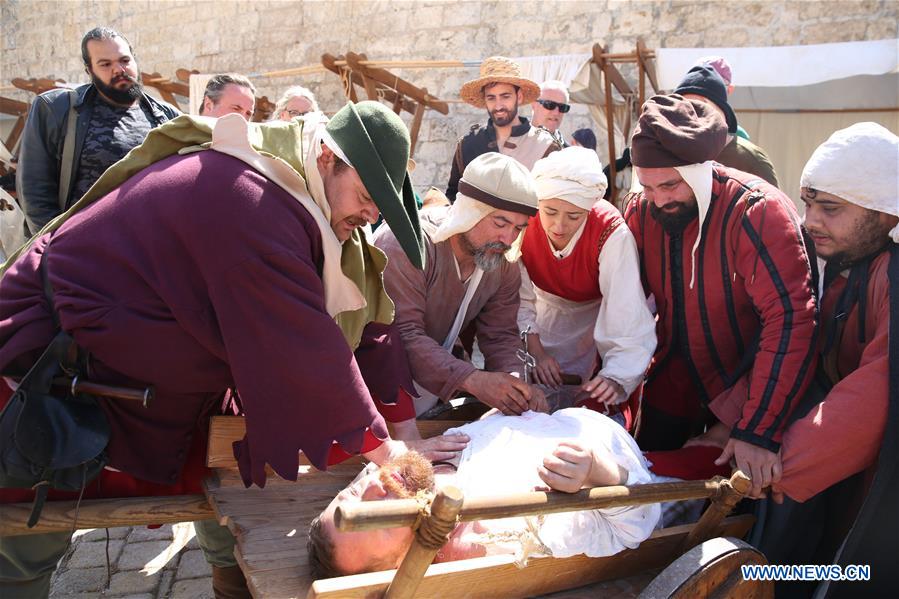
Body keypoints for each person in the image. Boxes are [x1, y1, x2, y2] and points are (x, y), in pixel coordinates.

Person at [0, 101, 462, 598]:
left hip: (175, 386)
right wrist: (386, 453)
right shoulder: (250, 196)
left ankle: (235, 583)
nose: (370, 214)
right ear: (327, 156)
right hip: (70, 369)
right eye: (367, 196)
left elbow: (369, 326)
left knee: (228, 490)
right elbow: (307, 346)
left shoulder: (324, 214)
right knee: (33, 522)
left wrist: (405, 432)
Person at [703, 123, 897, 597]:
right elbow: (795, 349)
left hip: (864, 472)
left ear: (885, 213)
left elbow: (875, 394)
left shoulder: (889, 278)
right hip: (827, 465)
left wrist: (780, 463)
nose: (811, 221)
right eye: (808, 205)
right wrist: (732, 427)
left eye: (830, 208)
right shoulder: (838, 264)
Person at [624, 94, 817, 498]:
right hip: (671, 385)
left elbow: (790, 319)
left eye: (670, 185)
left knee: (741, 503)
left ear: (699, 171)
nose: (659, 199)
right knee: (641, 485)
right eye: (648, 186)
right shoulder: (641, 211)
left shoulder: (757, 212)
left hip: (748, 390)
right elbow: (624, 305)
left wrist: (757, 427)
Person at [308, 408, 660, 578]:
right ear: (406, 560)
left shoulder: (416, 469)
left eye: (352, 493)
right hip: (619, 445)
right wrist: (600, 473)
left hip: (562, 410)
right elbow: (634, 526)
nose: (373, 485)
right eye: (376, 519)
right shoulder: (501, 534)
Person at [375, 152, 547, 417]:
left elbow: (500, 335)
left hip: (432, 384)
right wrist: (473, 379)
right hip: (375, 384)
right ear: (470, 211)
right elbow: (402, 335)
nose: (508, 239)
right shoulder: (406, 244)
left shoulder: (501, 262)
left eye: (518, 228)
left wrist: (515, 384)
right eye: (500, 223)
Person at [518, 147, 656, 422]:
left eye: (574, 216)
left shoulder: (611, 232)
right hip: (539, 315)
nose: (559, 225)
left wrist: (616, 374)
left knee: (585, 406)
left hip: (594, 322)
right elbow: (519, 297)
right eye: (550, 211)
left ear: (589, 209)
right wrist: (537, 352)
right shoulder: (523, 220)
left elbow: (625, 309)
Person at [15, 27, 179, 235]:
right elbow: (34, 190)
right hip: (82, 247)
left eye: (124, 60)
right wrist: (54, 245)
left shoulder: (166, 115)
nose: (118, 69)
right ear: (89, 71)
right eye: (105, 64)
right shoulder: (56, 109)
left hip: (148, 245)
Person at [445, 56, 560, 202]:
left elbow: (554, 201)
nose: (498, 106)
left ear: (519, 96)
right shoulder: (468, 143)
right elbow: (454, 196)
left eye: (505, 96)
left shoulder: (545, 145)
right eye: (491, 98)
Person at [674, 65, 779, 187]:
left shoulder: (752, 160)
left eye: (701, 106)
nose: (692, 114)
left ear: (722, 113)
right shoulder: (670, 155)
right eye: (684, 107)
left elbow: (772, 198)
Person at [692, 55, 751, 140]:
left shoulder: (737, 136)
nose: (705, 93)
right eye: (698, 83)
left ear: (729, 90)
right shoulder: (673, 124)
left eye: (715, 85)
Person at [530, 80, 570, 147]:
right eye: (550, 105)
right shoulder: (514, 142)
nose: (556, 113)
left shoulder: (568, 151)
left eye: (562, 107)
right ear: (534, 104)